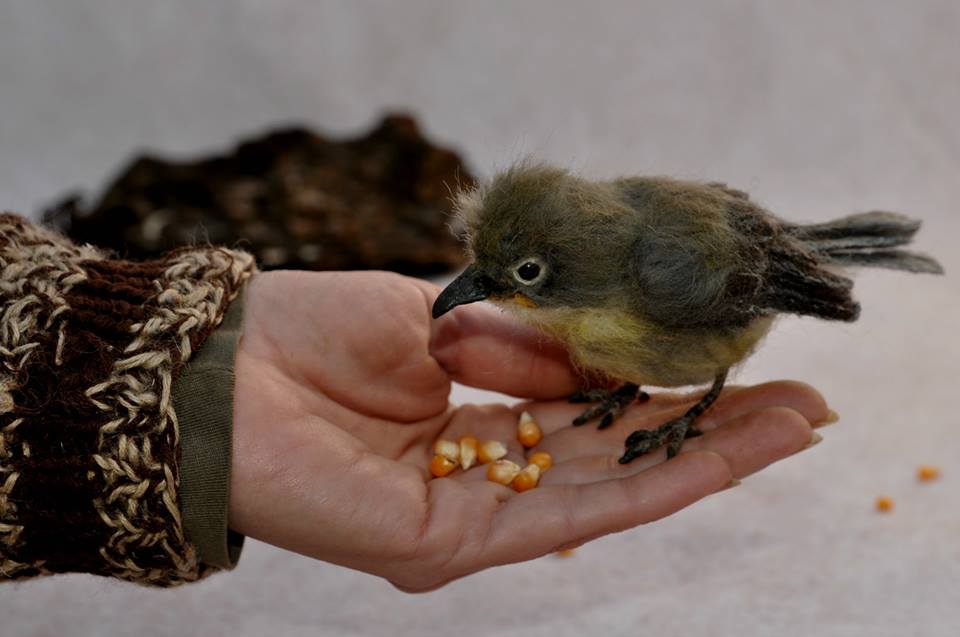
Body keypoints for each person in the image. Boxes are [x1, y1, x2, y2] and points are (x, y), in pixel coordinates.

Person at [0, 213, 831, 590]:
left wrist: (206, 368)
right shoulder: (572, 310)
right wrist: (201, 379)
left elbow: (742, 293)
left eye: (523, 275)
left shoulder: (653, 280)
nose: (478, 289)